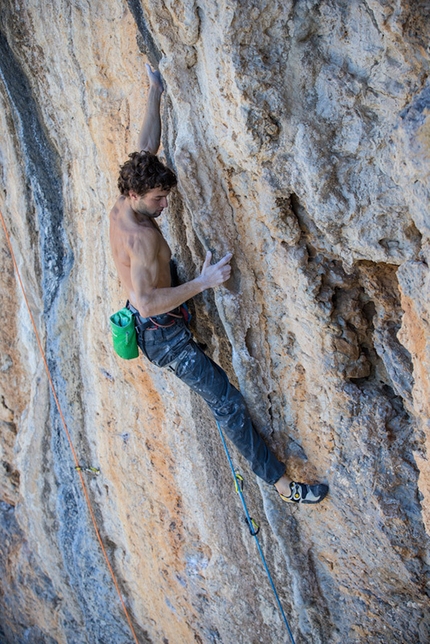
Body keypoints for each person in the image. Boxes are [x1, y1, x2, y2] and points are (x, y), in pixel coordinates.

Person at [109, 64, 328, 504]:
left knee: (224, 396)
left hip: (158, 315)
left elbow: (146, 145)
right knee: (226, 403)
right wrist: (205, 281)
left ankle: (282, 484)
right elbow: (148, 302)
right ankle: (284, 487)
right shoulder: (144, 238)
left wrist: (154, 89)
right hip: (163, 335)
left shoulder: (125, 202)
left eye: (165, 196)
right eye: (159, 199)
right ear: (137, 196)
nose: (165, 205)